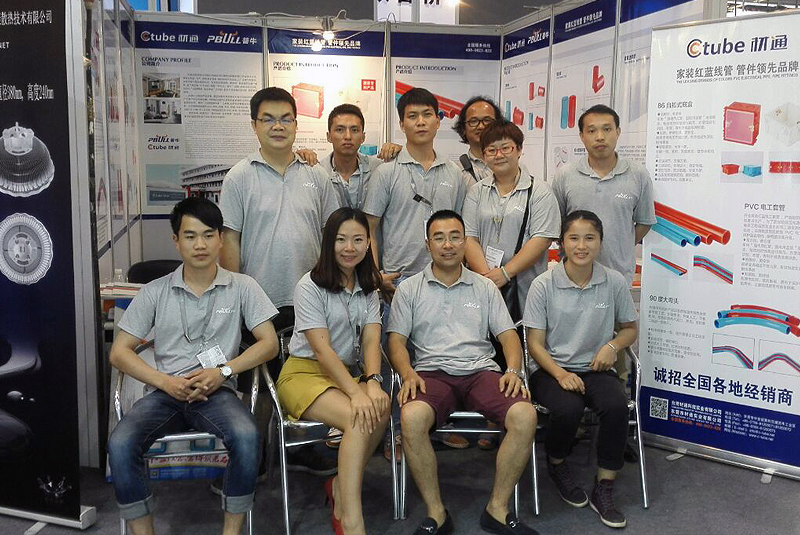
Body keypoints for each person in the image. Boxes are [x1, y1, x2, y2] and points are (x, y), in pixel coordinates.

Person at [107, 197, 279, 535]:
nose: (200, 244)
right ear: (176, 241)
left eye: (208, 235)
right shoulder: (155, 291)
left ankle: (232, 532)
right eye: (190, 236)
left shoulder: (242, 287)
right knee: (121, 443)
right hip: (164, 393)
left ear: (220, 239)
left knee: (248, 437)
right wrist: (164, 381)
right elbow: (119, 353)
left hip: (217, 393)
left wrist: (223, 371)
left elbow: (269, 344)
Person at [387, 210, 539, 535]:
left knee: (525, 415)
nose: (448, 245)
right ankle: (436, 513)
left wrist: (513, 369)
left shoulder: (484, 286)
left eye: (455, 237)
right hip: (431, 373)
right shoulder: (409, 289)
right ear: (428, 244)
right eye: (439, 238)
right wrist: (407, 372)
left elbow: (508, 336)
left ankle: (497, 509)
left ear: (464, 242)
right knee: (411, 418)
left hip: (480, 371)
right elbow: (396, 341)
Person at [219, 87, 340, 475]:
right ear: (254, 125)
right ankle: (251, 458)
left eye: (285, 118)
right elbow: (230, 239)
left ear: (296, 124)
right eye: (268, 119)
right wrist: (236, 296)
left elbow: (331, 234)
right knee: (256, 385)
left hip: (310, 299)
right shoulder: (239, 176)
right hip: (259, 299)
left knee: (305, 375)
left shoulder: (316, 175)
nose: (278, 126)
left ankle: (302, 448)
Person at [363, 87, 469, 455]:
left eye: (427, 115)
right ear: (402, 124)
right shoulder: (387, 172)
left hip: (444, 282)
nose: (420, 122)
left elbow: (462, 230)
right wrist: (375, 275)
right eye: (412, 116)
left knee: (439, 358)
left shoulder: (454, 174)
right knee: (396, 361)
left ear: (439, 121)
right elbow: (370, 228)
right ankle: (395, 431)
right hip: (397, 283)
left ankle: (435, 426)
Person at [276, 207, 389, 535]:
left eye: (358, 240)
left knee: (379, 407)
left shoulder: (368, 287)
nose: (349, 248)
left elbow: (371, 339)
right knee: (357, 415)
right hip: (303, 374)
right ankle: (351, 518)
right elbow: (322, 351)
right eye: (341, 240)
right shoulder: (309, 285)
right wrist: (356, 392)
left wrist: (373, 382)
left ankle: (341, 486)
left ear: (368, 243)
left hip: (344, 374)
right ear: (329, 242)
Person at [524, 210, 638, 529]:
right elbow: (534, 343)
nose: (581, 246)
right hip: (551, 369)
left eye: (590, 238)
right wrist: (560, 374)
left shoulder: (613, 281)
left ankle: (604, 486)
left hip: (596, 368)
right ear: (562, 243)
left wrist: (611, 347)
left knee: (616, 407)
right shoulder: (543, 284)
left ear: (600, 242)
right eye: (573, 238)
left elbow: (630, 329)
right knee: (567, 408)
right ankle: (557, 462)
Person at [550, 103, 654, 381]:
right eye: (592, 130)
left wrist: (619, 245)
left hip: (618, 279)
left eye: (607, 129)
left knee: (616, 357)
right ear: (581, 136)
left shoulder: (637, 174)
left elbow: (644, 222)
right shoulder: (565, 176)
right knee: (572, 348)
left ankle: (615, 400)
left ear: (618, 132)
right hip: (573, 281)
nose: (600, 137)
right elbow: (557, 224)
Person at [463, 120, 560, 318]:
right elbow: (469, 238)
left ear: (519, 150)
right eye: (491, 150)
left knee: (525, 332)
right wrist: (488, 279)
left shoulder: (540, 191)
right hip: (484, 287)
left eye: (506, 148)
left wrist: (505, 273)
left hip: (527, 287)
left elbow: (541, 239)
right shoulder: (476, 191)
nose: (499, 155)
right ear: (484, 156)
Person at [318, 103, 402, 209]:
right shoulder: (318, 172)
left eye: (354, 130)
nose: (348, 136)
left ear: (363, 137)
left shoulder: (378, 168)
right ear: (329, 136)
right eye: (340, 130)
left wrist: (399, 151)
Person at [453, 96, 504, 188]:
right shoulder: (455, 171)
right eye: (473, 121)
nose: (481, 126)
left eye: (487, 120)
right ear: (463, 129)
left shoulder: (510, 166)